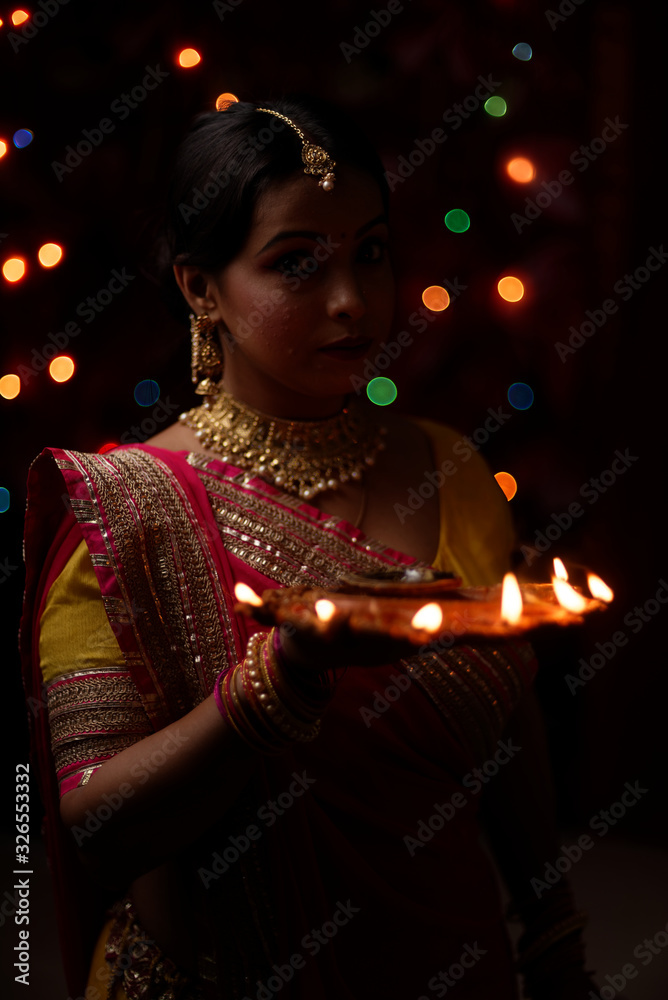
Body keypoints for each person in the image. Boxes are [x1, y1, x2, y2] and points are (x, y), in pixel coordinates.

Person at [20, 96, 615, 1000]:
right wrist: (284, 676)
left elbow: (509, 721)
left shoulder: (448, 468)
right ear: (199, 288)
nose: (353, 301)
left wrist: (554, 935)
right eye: (297, 264)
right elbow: (98, 825)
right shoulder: (130, 509)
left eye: (369, 254)